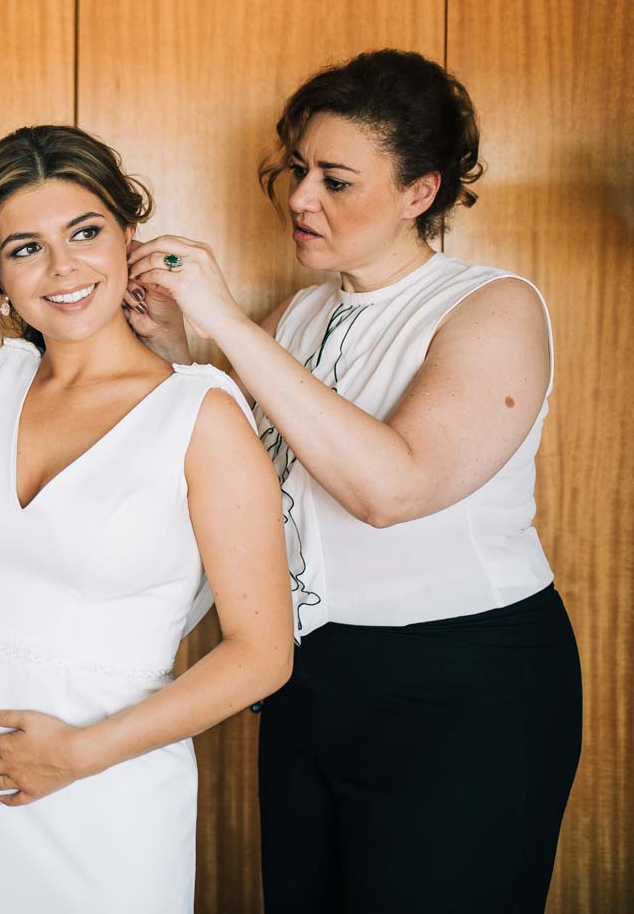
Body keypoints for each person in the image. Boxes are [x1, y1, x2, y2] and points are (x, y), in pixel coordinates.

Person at [125, 49, 582, 913]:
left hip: (461, 685)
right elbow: (261, 484)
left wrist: (220, 318)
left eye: (336, 178)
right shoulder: (302, 312)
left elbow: (390, 491)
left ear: (421, 192)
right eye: (298, 168)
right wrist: (179, 353)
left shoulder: (493, 306)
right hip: (307, 674)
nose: (300, 197)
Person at [0, 124, 292, 912]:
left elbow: (263, 652)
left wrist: (77, 754)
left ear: (127, 236)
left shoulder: (200, 413)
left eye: (86, 231)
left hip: (105, 778)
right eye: (25, 246)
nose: (63, 267)